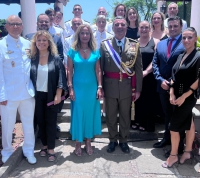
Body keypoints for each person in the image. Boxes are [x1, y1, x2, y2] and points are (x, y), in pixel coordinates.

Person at [0, 15, 36, 164]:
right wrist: (1, 95)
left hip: (27, 93)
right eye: (12, 24)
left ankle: (29, 150)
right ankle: (7, 151)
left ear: (22, 26)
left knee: (28, 125)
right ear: (6, 26)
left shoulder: (28, 44)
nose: (15, 27)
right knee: (8, 125)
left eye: (18, 24)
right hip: (9, 94)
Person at [162, 27, 200, 168]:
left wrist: (183, 97)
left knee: (173, 127)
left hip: (188, 97)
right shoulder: (181, 55)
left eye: (190, 37)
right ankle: (187, 152)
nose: (186, 40)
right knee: (190, 123)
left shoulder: (199, 57)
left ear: (195, 39)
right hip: (177, 95)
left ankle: (173, 155)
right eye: (184, 38)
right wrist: (172, 92)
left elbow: (198, 81)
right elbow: (174, 76)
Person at [100, 16, 143, 153]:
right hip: (109, 86)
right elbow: (100, 69)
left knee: (125, 115)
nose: (119, 27)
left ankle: (124, 140)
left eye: (122, 25)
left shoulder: (134, 45)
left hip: (127, 87)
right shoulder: (104, 45)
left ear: (126, 28)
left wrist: (138, 90)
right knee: (111, 116)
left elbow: (138, 69)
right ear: (112, 28)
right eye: (117, 25)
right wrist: (100, 87)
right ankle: (112, 140)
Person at [30, 30, 67, 162]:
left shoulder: (55, 58)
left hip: (51, 95)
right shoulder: (32, 59)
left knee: (51, 122)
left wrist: (58, 94)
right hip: (36, 96)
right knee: (40, 122)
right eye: (39, 40)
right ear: (35, 43)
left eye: (44, 40)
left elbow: (61, 78)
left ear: (49, 42)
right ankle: (44, 145)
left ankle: (51, 148)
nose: (41, 42)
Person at [67, 24, 103, 156]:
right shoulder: (72, 51)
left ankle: (88, 141)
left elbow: (98, 70)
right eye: (82, 33)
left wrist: (99, 87)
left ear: (90, 35)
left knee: (89, 114)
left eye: (87, 33)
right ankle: (77, 142)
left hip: (92, 87)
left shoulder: (95, 51)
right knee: (77, 113)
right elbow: (69, 70)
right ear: (78, 35)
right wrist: (70, 87)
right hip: (78, 87)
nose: (85, 35)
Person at [152, 16, 186, 155]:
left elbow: (185, 66)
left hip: (178, 87)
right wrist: (160, 80)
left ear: (180, 27)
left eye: (175, 26)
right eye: (170, 26)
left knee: (178, 116)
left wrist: (172, 81)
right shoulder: (161, 44)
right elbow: (155, 64)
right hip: (162, 86)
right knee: (167, 114)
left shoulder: (186, 43)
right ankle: (167, 138)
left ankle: (178, 146)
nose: (172, 29)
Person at [134, 21, 160, 132]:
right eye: (141, 27)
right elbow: (131, 59)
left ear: (150, 28)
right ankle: (137, 121)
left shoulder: (156, 42)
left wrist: (146, 71)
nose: (144, 29)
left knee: (149, 99)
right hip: (136, 75)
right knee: (138, 99)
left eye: (146, 27)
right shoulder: (133, 43)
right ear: (138, 29)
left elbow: (156, 59)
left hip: (150, 76)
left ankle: (147, 123)